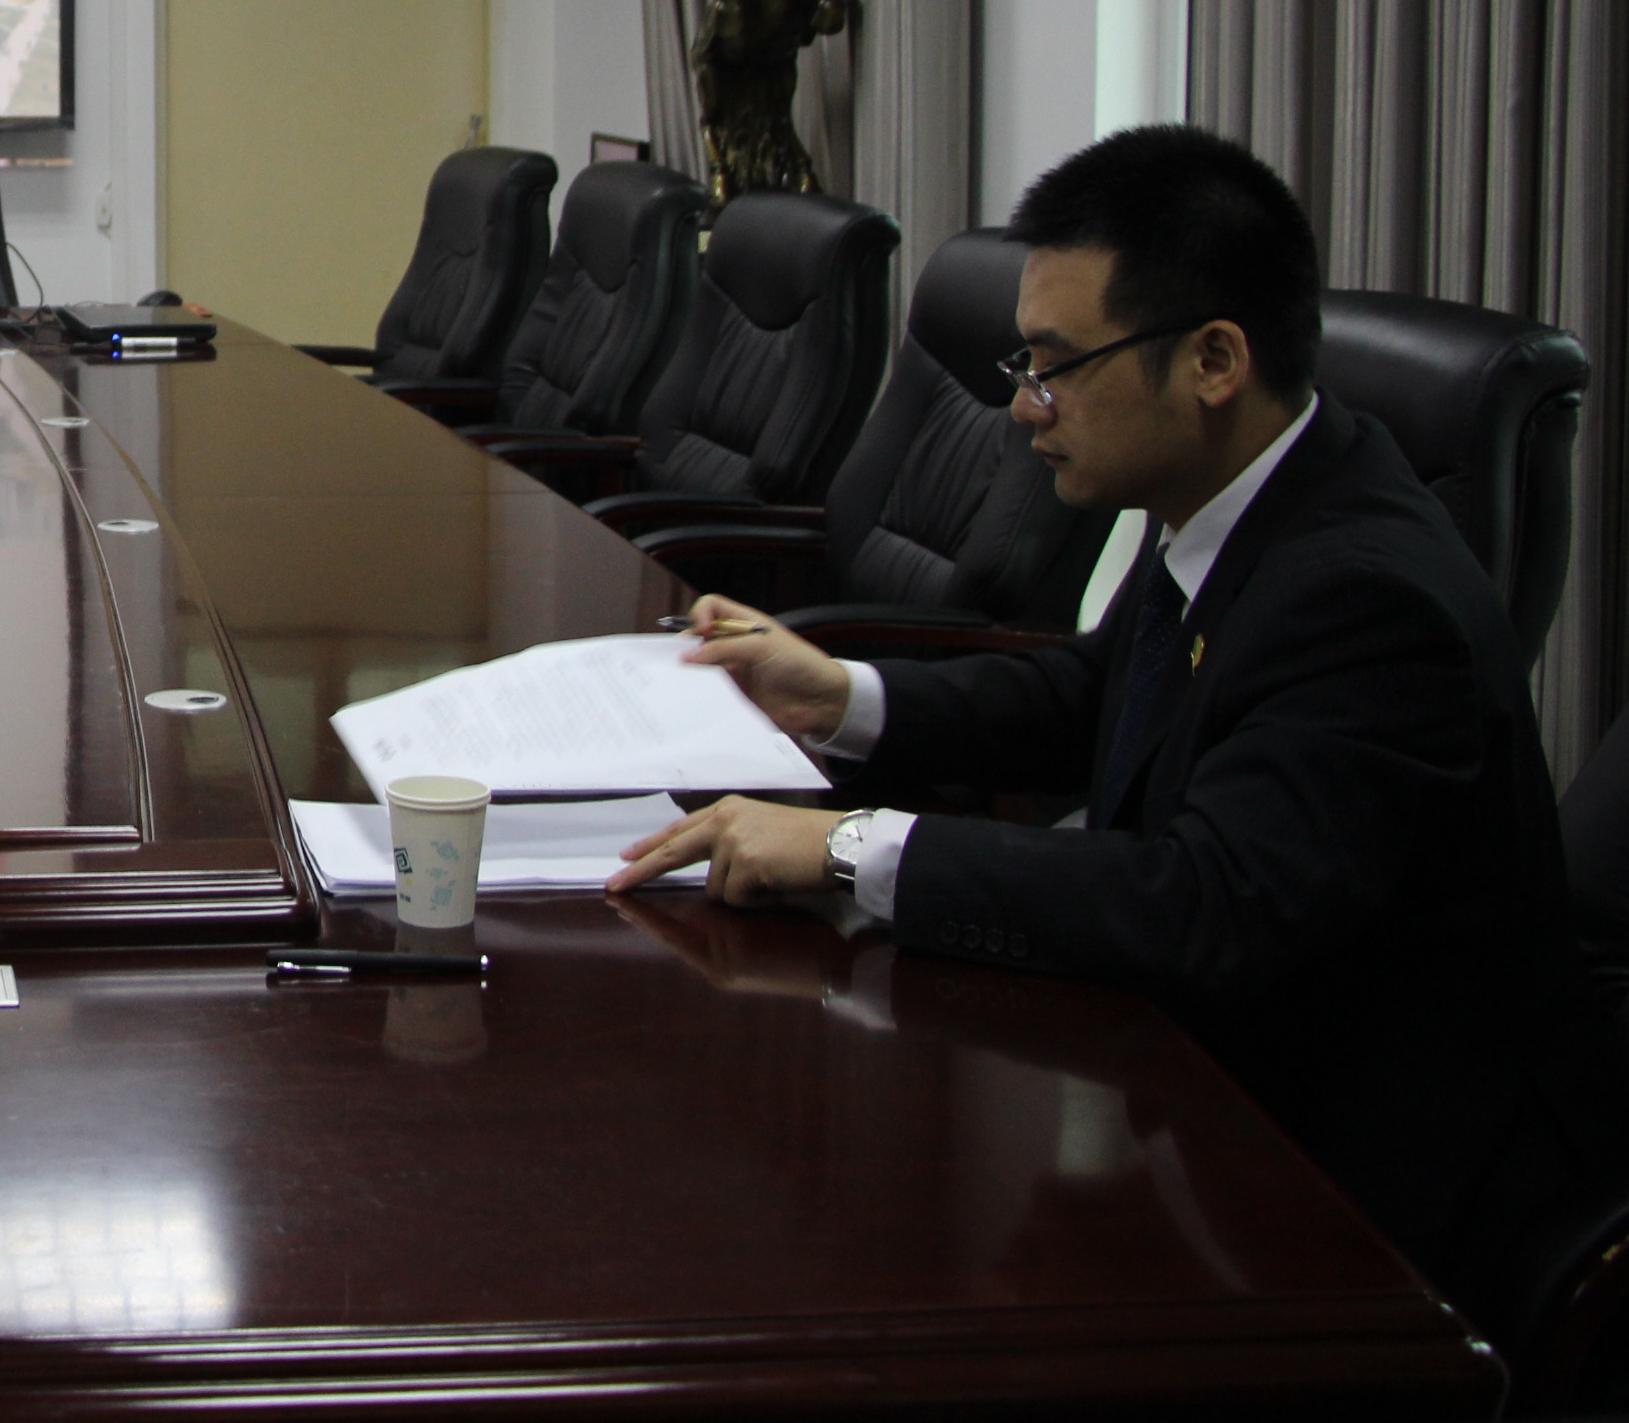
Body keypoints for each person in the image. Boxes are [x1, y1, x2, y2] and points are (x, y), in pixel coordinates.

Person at [608, 124, 1583, 1331]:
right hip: (1198, 1095)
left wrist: (852, 846)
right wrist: (839, 696)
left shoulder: (1366, 597)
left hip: (1349, 1205)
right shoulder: (1246, 499)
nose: (1025, 408)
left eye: (1057, 367)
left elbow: (1205, 903)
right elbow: (1095, 697)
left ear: (1214, 360)